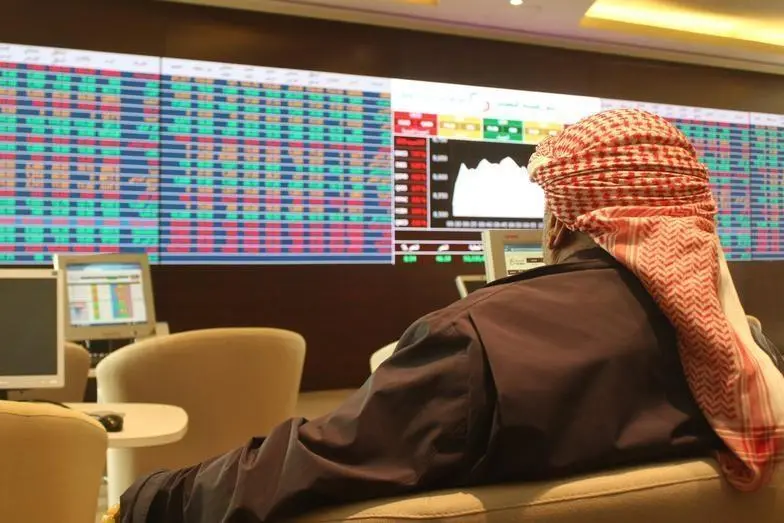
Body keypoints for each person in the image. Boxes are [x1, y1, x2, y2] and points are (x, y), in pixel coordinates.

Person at [113, 109, 784, 523]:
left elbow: (306, 468)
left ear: (558, 219)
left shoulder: (477, 343)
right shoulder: (748, 358)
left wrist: (150, 498)